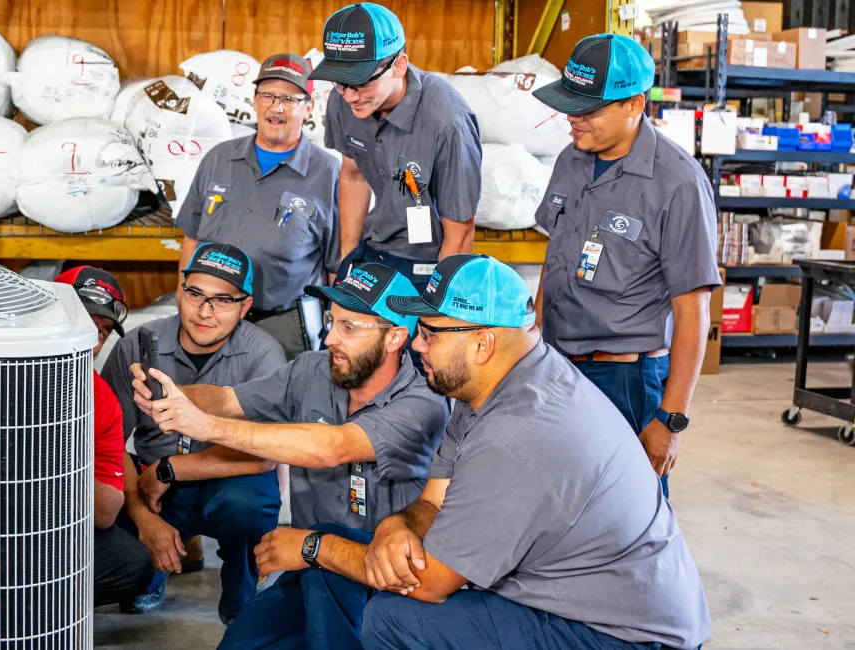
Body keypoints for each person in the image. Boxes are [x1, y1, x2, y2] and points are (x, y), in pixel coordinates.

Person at [237, 254, 712, 649]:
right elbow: (433, 501)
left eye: (430, 333)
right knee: (352, 556)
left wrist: (314, 547)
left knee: (395, 619)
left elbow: (431, 583)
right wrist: (394, 524)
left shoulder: (518, 436)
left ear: (483, 342)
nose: (417, 344)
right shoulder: (493, 383)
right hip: (580, 594)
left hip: (622, 635)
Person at [126, 263, 448, 649]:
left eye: (349, 327)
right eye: (331, 321)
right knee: (241, 641)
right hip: (312, 564)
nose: (330, 338)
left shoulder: (422, 405)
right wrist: (173, 394)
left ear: (395, 337)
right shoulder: (312, 370)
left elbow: (331, 447)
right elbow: (229, 399)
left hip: (381, 575)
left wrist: (204, 426)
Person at [530, 34, 720, 495]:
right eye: (569, 104)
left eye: (588, 109)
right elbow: (552, 264)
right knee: (558, 505)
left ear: (634, 104)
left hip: (626, 382)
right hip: (556, 367)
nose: (572, 119)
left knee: (630, 518)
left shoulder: (677, 184)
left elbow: (692, 312)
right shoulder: (570, 160)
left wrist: (670, 420)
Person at [100, 242, 287, 624]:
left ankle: (241, 592)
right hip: (153, 486)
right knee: (106, 502)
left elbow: (263, 456)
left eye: (222, 300)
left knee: (248, 505)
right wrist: (142, 516)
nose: (205, 311)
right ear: (179, 290)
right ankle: (152, 564)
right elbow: (107, 442)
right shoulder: (137, 342)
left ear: (245, 306)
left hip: (226, 477)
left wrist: (170, 469)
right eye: (195, 294)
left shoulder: (263, 354)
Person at [174, 53, 342, 360]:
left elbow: (336, 266)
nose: (276, 108)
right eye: (267, 95)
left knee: (276, 407)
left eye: (289, 98)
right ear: (254, 101)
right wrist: (183, 296)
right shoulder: (218, 159)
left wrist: (337, 329)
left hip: (284, 328)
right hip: (210, 320)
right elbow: (193, 237)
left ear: (309, 108)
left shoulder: (328, 173)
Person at [311, 3, 482, 288]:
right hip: (373, 248)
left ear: (399, 65)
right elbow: (353, 176)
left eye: (362, 82)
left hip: (429, 263)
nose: (351, 96)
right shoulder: (343, 101)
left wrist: (438, 303)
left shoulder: (448, 122)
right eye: (341, 83)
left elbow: (460, 233)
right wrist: (348, 259)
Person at [53, 265, 155, 607]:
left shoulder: (101, 400)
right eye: (83, 321)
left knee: (133, 564)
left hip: (51, 520)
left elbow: (105, 513)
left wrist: (63, 447)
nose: (92, 339)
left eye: (102, 331)